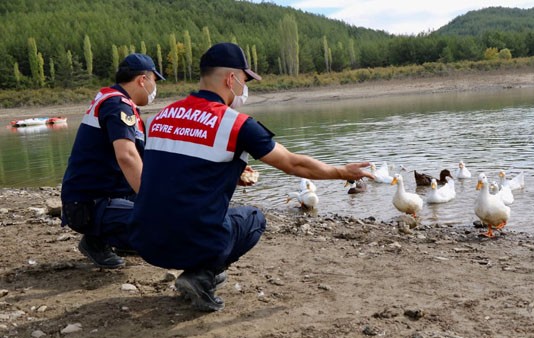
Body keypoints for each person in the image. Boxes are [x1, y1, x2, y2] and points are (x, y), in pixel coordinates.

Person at [129, 42, 373, 312]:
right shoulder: (237, 124)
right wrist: (342, 172)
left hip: (145, 241)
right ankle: (202, 275)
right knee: (253, 219)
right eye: (245, 80)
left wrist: (229, 174)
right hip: (191, 243)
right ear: (231, 79)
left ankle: (197, 267)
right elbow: (293, 164)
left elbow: (174, 170)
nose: (245, 89)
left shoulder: (160, 117)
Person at [60, 53, 164, 269]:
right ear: (142, 80)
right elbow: (126, 156)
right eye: (154, 80)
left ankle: (122, 240)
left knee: (163, 191)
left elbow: (140, 158)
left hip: (94, 196)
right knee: (160, 221)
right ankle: (95, 241)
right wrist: (151, 203)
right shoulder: (118, 105)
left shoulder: (113, 99)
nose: (155, 87)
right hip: (87, 205)